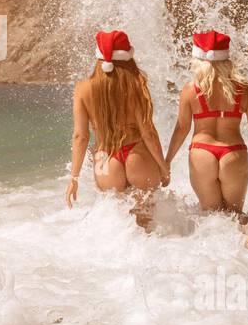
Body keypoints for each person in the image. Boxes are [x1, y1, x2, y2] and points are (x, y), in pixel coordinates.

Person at [163, 30, 248, 248]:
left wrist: (167, 161)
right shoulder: (244, 88)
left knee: (212, 215)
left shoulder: (191, 90)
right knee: (235, 213)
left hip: (201, 152)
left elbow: (182, 128)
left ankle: (219, 261)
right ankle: (247, 236)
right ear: (226, 58)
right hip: (233, 152)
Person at [65, 30, 170, 225]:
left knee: (117, 224)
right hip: (137, 155)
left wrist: (74, 178)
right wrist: (164, 168)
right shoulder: (136, 86)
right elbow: (148, 132)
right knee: (147, 223)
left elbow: (80, 136)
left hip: (105, 159)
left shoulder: (82, 88)